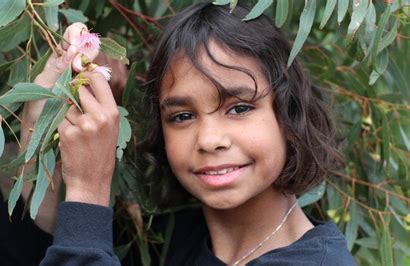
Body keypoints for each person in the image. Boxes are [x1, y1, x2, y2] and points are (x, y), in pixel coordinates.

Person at [30, 3, 356, 265]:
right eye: (182, 116)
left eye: (239, 108)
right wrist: (46, 115)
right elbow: (52, 240)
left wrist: (89, 188)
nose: (209, 139)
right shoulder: (166, 241)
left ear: (289, 114)